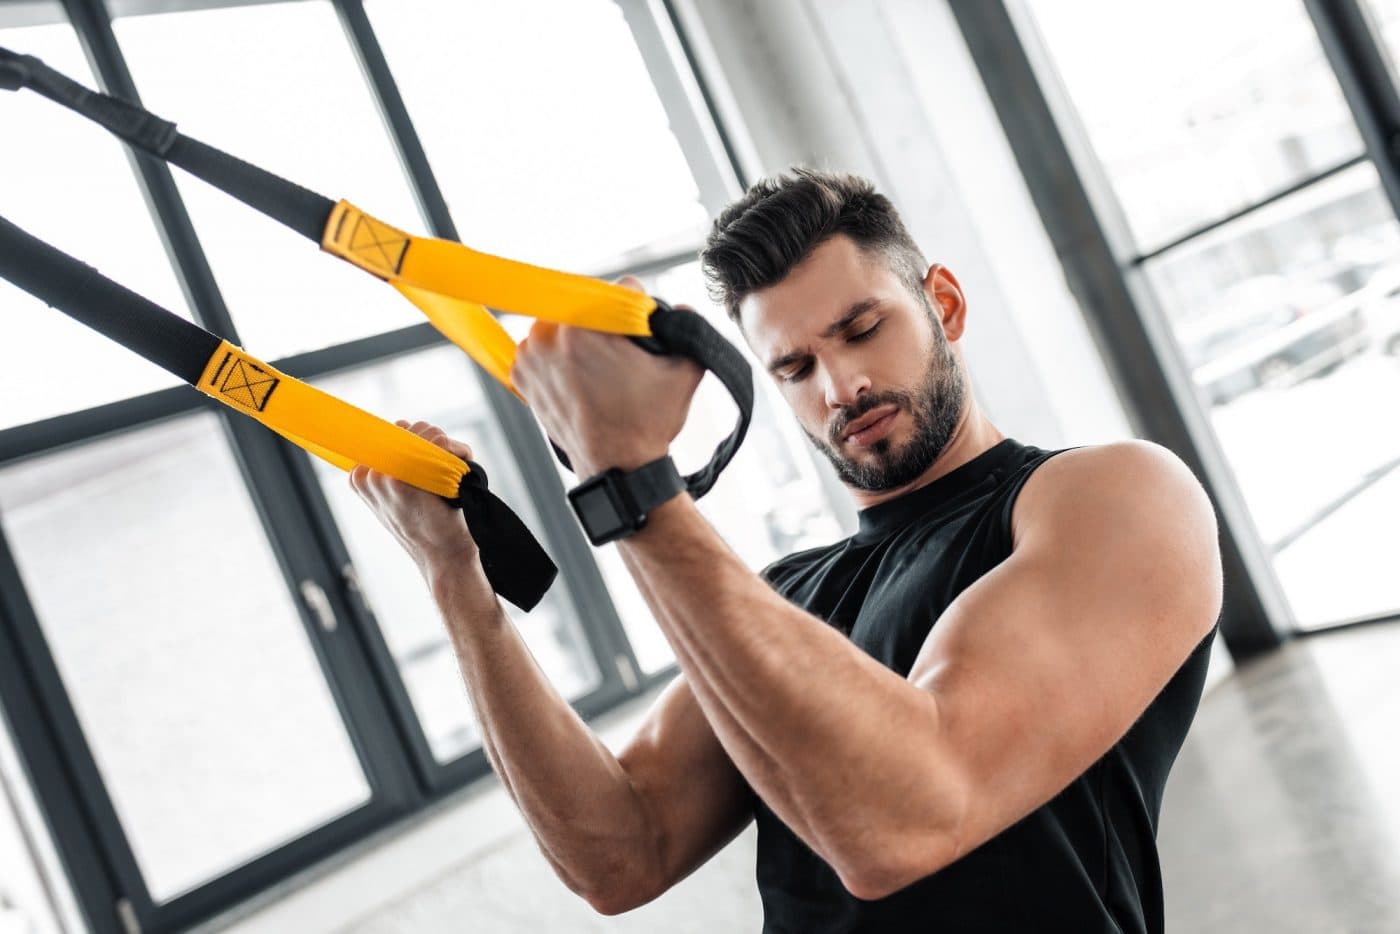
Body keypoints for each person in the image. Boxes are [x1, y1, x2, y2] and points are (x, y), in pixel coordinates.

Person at [350, 168, 1222, 933]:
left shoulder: (1112, 497)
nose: (843, 385)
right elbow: (621, 856)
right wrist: (456, 580)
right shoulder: (787, 599)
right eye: (796, 368)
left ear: (944, 307)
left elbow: (908, 821)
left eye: (862, 328)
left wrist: (634, 482)